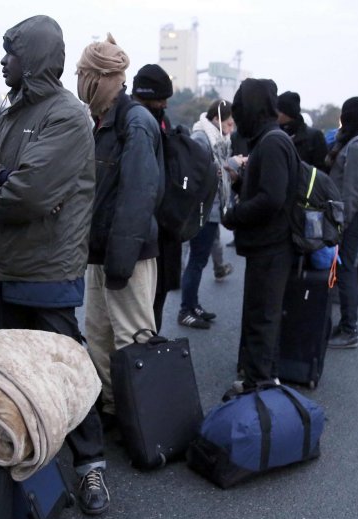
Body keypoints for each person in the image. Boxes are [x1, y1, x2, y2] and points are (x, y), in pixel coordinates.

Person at [0, 16, 109, 515]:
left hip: (49, 268)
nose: (2, 62)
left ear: (35, 58)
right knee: (16, 375)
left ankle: (91, 466)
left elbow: (27, 196)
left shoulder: (67, 116)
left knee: (65, 370)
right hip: (5, 270)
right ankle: (33, 466)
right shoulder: (6, 113)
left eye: (11, 53)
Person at [76, 46, 162, 435]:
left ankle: (145, 420)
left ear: (105, 77)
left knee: (133, 338)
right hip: (98, 252)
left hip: (127, 253)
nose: (80, 81)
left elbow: (139, 194)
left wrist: (121, 262)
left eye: (86, 73)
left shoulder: (135, 121)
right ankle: (113, 410)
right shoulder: (98, 121)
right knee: (98, 334)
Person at [221, 78, 297, 388]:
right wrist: (241, 182)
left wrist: (233, 215)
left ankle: (259, 387)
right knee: (260, 316)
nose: (237, 118)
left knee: (262, 319)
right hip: (268, 245)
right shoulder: (270, 139)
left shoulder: (273, 142)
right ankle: (261, 381)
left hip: (272, 245)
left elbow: (272, 198)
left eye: (240, 109)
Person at [127, 64, 181, 332]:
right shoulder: (137, 123)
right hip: (145, 231)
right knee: (138, 311)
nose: (166, 104)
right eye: (161, 98)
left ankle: (149, 360)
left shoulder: (159, 122)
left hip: (163, 228)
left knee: (154, 303)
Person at [179, 99, 237, 329]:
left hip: (211, 207)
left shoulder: (216, 138)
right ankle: (186, 310)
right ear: (217, 119)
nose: (231, 129)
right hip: (202, 209)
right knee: (196, 260)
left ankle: (193, 305)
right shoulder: (202, 138)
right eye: (230, 124)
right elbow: (199, 173)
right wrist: (230, 164)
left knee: (199, 260)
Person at [326, 97, 358, 348]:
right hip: (348, 218)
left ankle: (349, 329)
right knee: (343, 270)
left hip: (349, 220)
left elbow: (352, 192)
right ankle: (345, 325)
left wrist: (339, 224)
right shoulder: (357, 142)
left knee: (345, 271)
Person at [276, 91, 328, 171]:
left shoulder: (314, 137)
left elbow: (322, 170)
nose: (275, 114)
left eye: (278, 111)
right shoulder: (274, 135)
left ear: (286, 113)